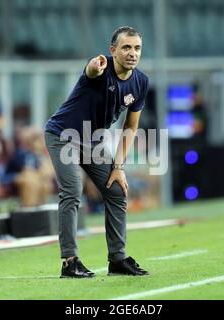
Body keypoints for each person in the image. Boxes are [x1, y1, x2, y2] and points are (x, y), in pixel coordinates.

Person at [45, 26, 149, 278]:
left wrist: (118, 167)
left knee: (116, 190)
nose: (132, 53)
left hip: (93, 141)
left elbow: (131, 126)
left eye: (136, 48)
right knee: (72, 190)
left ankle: (117, 260)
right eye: (126, 47)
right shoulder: (100, 69)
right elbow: (91, 70)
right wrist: (94, 65)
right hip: (63, 136)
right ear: (112, 50)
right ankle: (69, 261)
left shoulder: (140, 82)